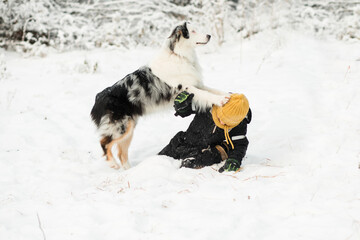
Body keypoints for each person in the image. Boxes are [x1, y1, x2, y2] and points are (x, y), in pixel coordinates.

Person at [159, 91, 251, 172]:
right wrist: (182, 106)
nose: (222, 122)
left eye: (226, 122)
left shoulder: (239, 123)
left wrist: (235, 159)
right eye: (220, 117)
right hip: (188, 138)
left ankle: (223, 150)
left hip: (207, 150)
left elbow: (240, 143)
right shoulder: (210, 102)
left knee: (190, 164)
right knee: (162, 159)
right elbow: (188, 108)